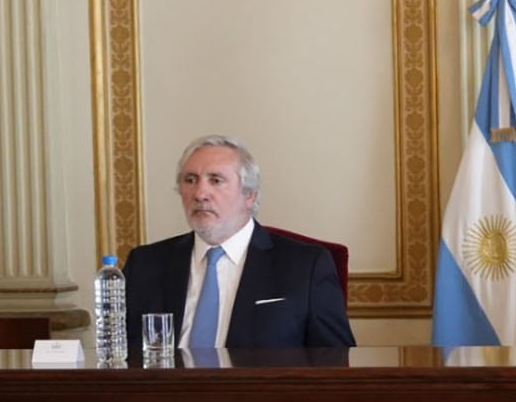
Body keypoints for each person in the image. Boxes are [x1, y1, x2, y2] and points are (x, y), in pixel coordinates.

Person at [123, 135, 355, 349]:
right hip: (162, 393)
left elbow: (336, 361)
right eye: (190, 180)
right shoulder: (145, 263)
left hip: (260, 393)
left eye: (216, 180)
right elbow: (118, 355)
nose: (200, 193)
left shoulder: (305, 266)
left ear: (249, 195)